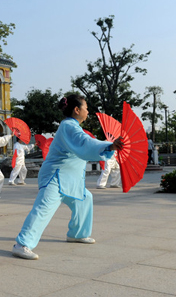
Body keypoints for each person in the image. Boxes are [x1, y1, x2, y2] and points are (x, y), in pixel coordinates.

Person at [12, 94, 123, 260]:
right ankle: (22, 244)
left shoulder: (72, 126)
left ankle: (77, 234)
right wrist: (110, 145)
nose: (88, 111)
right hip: (55, 176)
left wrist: (109, 146)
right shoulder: (68, 126)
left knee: (85, 199)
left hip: (69, 178)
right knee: (44, 208)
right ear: (77, 110)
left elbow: (85, 142)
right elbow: (85, 143)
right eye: (86, 108)